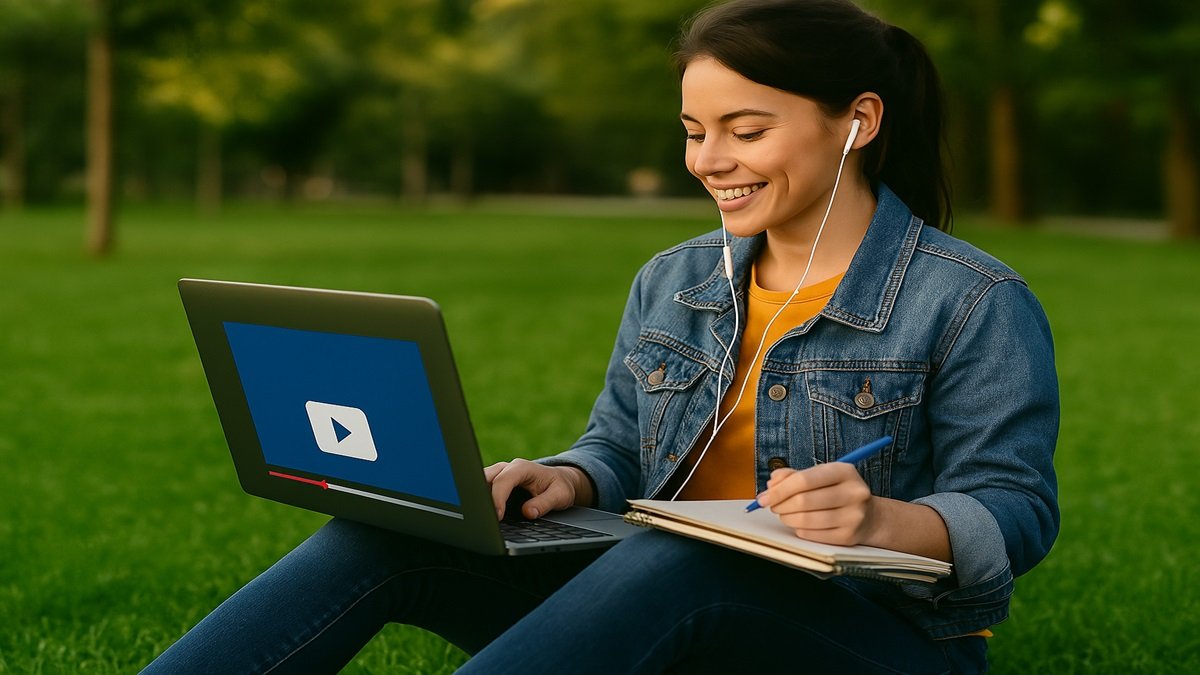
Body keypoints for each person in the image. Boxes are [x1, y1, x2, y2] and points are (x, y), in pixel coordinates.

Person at [144, 0, 1059, 672]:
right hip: (652, 592)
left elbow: (1017, 507)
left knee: (685, 556)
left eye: (746, 130)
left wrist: (880, 519)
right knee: (389, 534)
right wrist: (570, 477)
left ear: (857, 121)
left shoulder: (971, 299)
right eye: (696, 132)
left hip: (869, 636)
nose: (710, 161)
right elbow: (621, 440)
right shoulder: (676, 279)